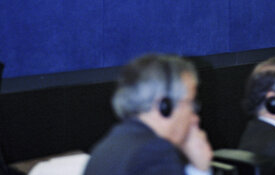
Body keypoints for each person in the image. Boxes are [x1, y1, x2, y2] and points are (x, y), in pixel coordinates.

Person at [83, 53, 213, 175]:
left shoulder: (106, 148)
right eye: (190, 103)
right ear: (165, 106)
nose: (194, 118)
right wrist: (200, 169)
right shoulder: (155, 154)